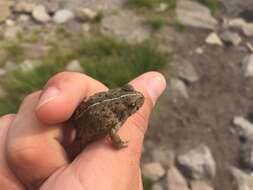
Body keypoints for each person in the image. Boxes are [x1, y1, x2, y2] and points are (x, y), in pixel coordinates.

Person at [0, 71, 166, 190]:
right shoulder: (119, 117)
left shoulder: (116, 107)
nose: (138, 99)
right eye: (128, 89)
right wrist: (120, 145)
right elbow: (114, 133)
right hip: (84, 130)